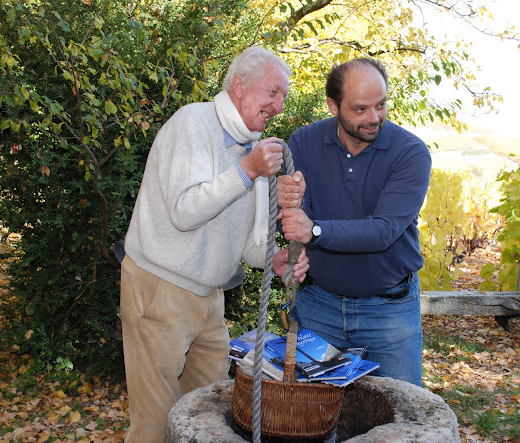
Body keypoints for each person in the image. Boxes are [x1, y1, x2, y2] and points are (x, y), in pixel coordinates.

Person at [120, 46, 309, 443]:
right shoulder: (193, 123)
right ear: (239, 85)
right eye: (272, 92)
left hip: (209, 295)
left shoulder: (251, 145)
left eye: (283, 97)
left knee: (209, 417)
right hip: (161, 289)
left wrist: (273, 259)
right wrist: (248, 170)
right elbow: (184, 212)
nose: (278, 105)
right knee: (155, 425)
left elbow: (245, 245)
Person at [277, 58, 431, 386]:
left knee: (400, 419)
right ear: (333, 105)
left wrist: (314, 230)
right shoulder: (303, 143)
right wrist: (291, 229)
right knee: (311, 419)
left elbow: (383, 230)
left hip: (389, 311)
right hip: (318, 305)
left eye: (381, 105)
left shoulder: (411, 153)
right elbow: (292, 221)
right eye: (360, 109)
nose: (373, 118)